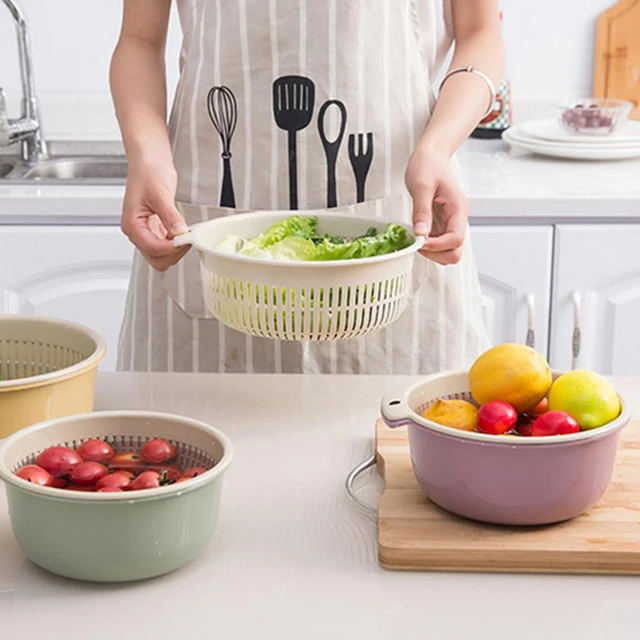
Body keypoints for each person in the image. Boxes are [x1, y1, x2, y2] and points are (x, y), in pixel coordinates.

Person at [110, 0, 504, 374]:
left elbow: (480, 32)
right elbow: (139, 40)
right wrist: (146, 154)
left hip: (401, 209)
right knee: (188, 441)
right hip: (204, 220)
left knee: (404, 439)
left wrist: (438, 148)